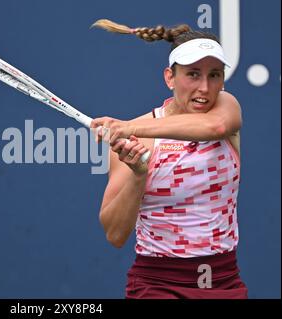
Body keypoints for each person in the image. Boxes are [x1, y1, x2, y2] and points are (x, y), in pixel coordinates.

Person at [90, 19, 248, 299]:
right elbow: (115, 234)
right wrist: (139, 175)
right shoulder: (140, 137)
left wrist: (128, 127)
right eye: (193, 74)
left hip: (223, 281)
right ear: (169, 78)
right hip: (157, 285)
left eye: (214, 75)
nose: (204, 87)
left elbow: (215, 128)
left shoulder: (227, 109)